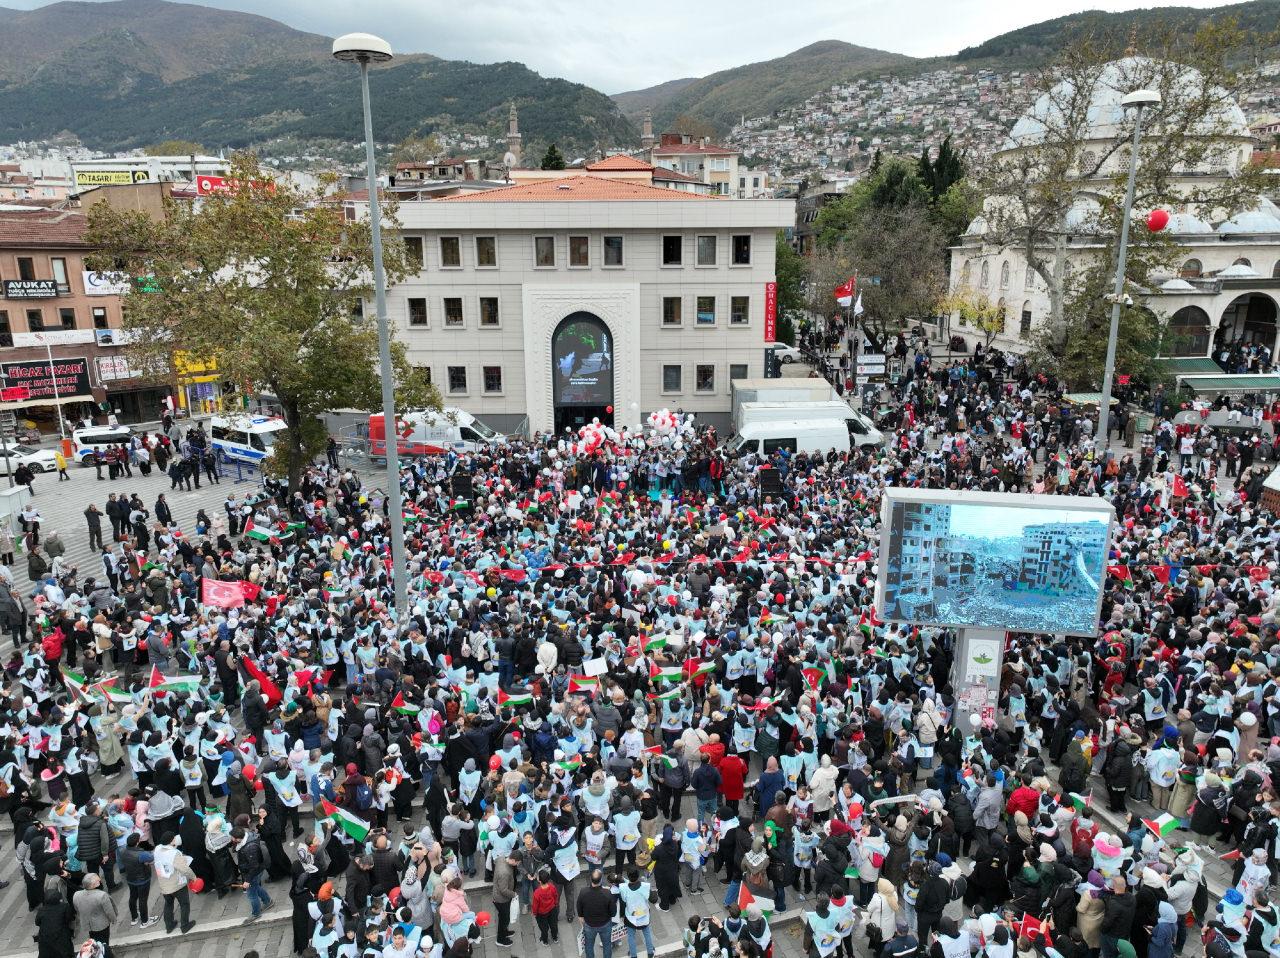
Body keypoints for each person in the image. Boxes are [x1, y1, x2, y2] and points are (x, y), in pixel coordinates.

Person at [73, 873, 117, 958]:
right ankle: (104, 954)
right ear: (93, 885)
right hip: (102, 925)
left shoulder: (76, 895)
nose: (100, 880)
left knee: (93, 940)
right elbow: (109, 911)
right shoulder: (102, 895)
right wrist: (113, 919)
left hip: (88, 924)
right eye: (98, 880)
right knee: (104, 943)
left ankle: (95, 953)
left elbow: (77, 908)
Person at [578, 869, 615, 958]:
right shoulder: (607, 893)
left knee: (589, 946)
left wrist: (581, 917)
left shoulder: (583, 892)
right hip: (605, 924)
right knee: (607, 945)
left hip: (589, 925)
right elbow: (613, 912)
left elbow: (579, 907)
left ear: (591, 879)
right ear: (601, 879)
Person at [532, 869, 560, 944]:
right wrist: (555, 904)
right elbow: (555, 896)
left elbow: (535, 905)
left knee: (543, 927)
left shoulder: (537, 893)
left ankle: (545, 941)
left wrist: (535, 913)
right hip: (552, 909)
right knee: (553, 924)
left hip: (541, 913)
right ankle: (555, 937)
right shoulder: (552, 887)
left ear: (539, 881)